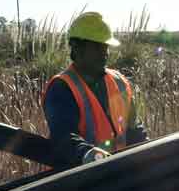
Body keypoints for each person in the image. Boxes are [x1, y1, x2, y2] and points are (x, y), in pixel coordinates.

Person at [41, 10, 147, 166]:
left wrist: (149, 152)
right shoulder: (61, 88)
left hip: (123, 175)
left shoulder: (120, 82)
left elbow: (134, 130)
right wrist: (90, 155)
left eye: (105, 46)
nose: (104, 53)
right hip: (82, 181)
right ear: (76, 48)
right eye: (97, 47)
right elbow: (63, 138)